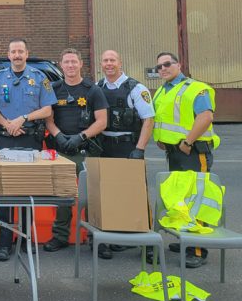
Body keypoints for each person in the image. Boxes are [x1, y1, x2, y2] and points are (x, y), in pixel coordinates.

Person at [151, 51, 220, 268]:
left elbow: (206, 117)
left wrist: (188, 142)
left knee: (196, 198)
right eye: (159, 66)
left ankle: (197, 250)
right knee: (179, 198)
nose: (163, 69)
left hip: (192, 151)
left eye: (167, 64)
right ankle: (186, 240)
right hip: (175, 152)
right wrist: (161, 139)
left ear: (179, 65)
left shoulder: (195, 88)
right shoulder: (162, 90)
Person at [0, 38, 57, 261]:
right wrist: (7, 124)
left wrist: (23, 119)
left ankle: (27, 239)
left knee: (28, 190)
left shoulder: (40, 78)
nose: (17, 55)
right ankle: (4, 242)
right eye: (13, 52)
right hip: (5, 139)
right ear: (8, 55)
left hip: (30, 140)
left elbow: (48, 110)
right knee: (5, 191)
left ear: (27, 54)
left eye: (20, 51)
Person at [43, 48, 108, 256]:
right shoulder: (54, 89)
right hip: (62, 149)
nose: (70, 66)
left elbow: (102, 121)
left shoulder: (92, 90)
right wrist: (58, 136)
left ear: (81, 64)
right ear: (61, 65)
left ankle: (97, 238)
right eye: (66, 62)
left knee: (93, 196)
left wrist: (82, 136)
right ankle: (60, 236)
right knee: (63, 194)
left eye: (74, 62)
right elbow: (48, 118)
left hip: (86, 149)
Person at [96, 49, 155, 258]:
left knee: (137, 194)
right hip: (105, 146)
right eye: (105, 61)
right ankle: (119, 236)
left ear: (120, 63)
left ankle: (149, 243)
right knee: (111, 194)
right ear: (101, 64)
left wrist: (139, 149)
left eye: (112, 60)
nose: (109, 64)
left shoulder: (136, 88)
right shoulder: (98, 87)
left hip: (128, 146)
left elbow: (148, 120)